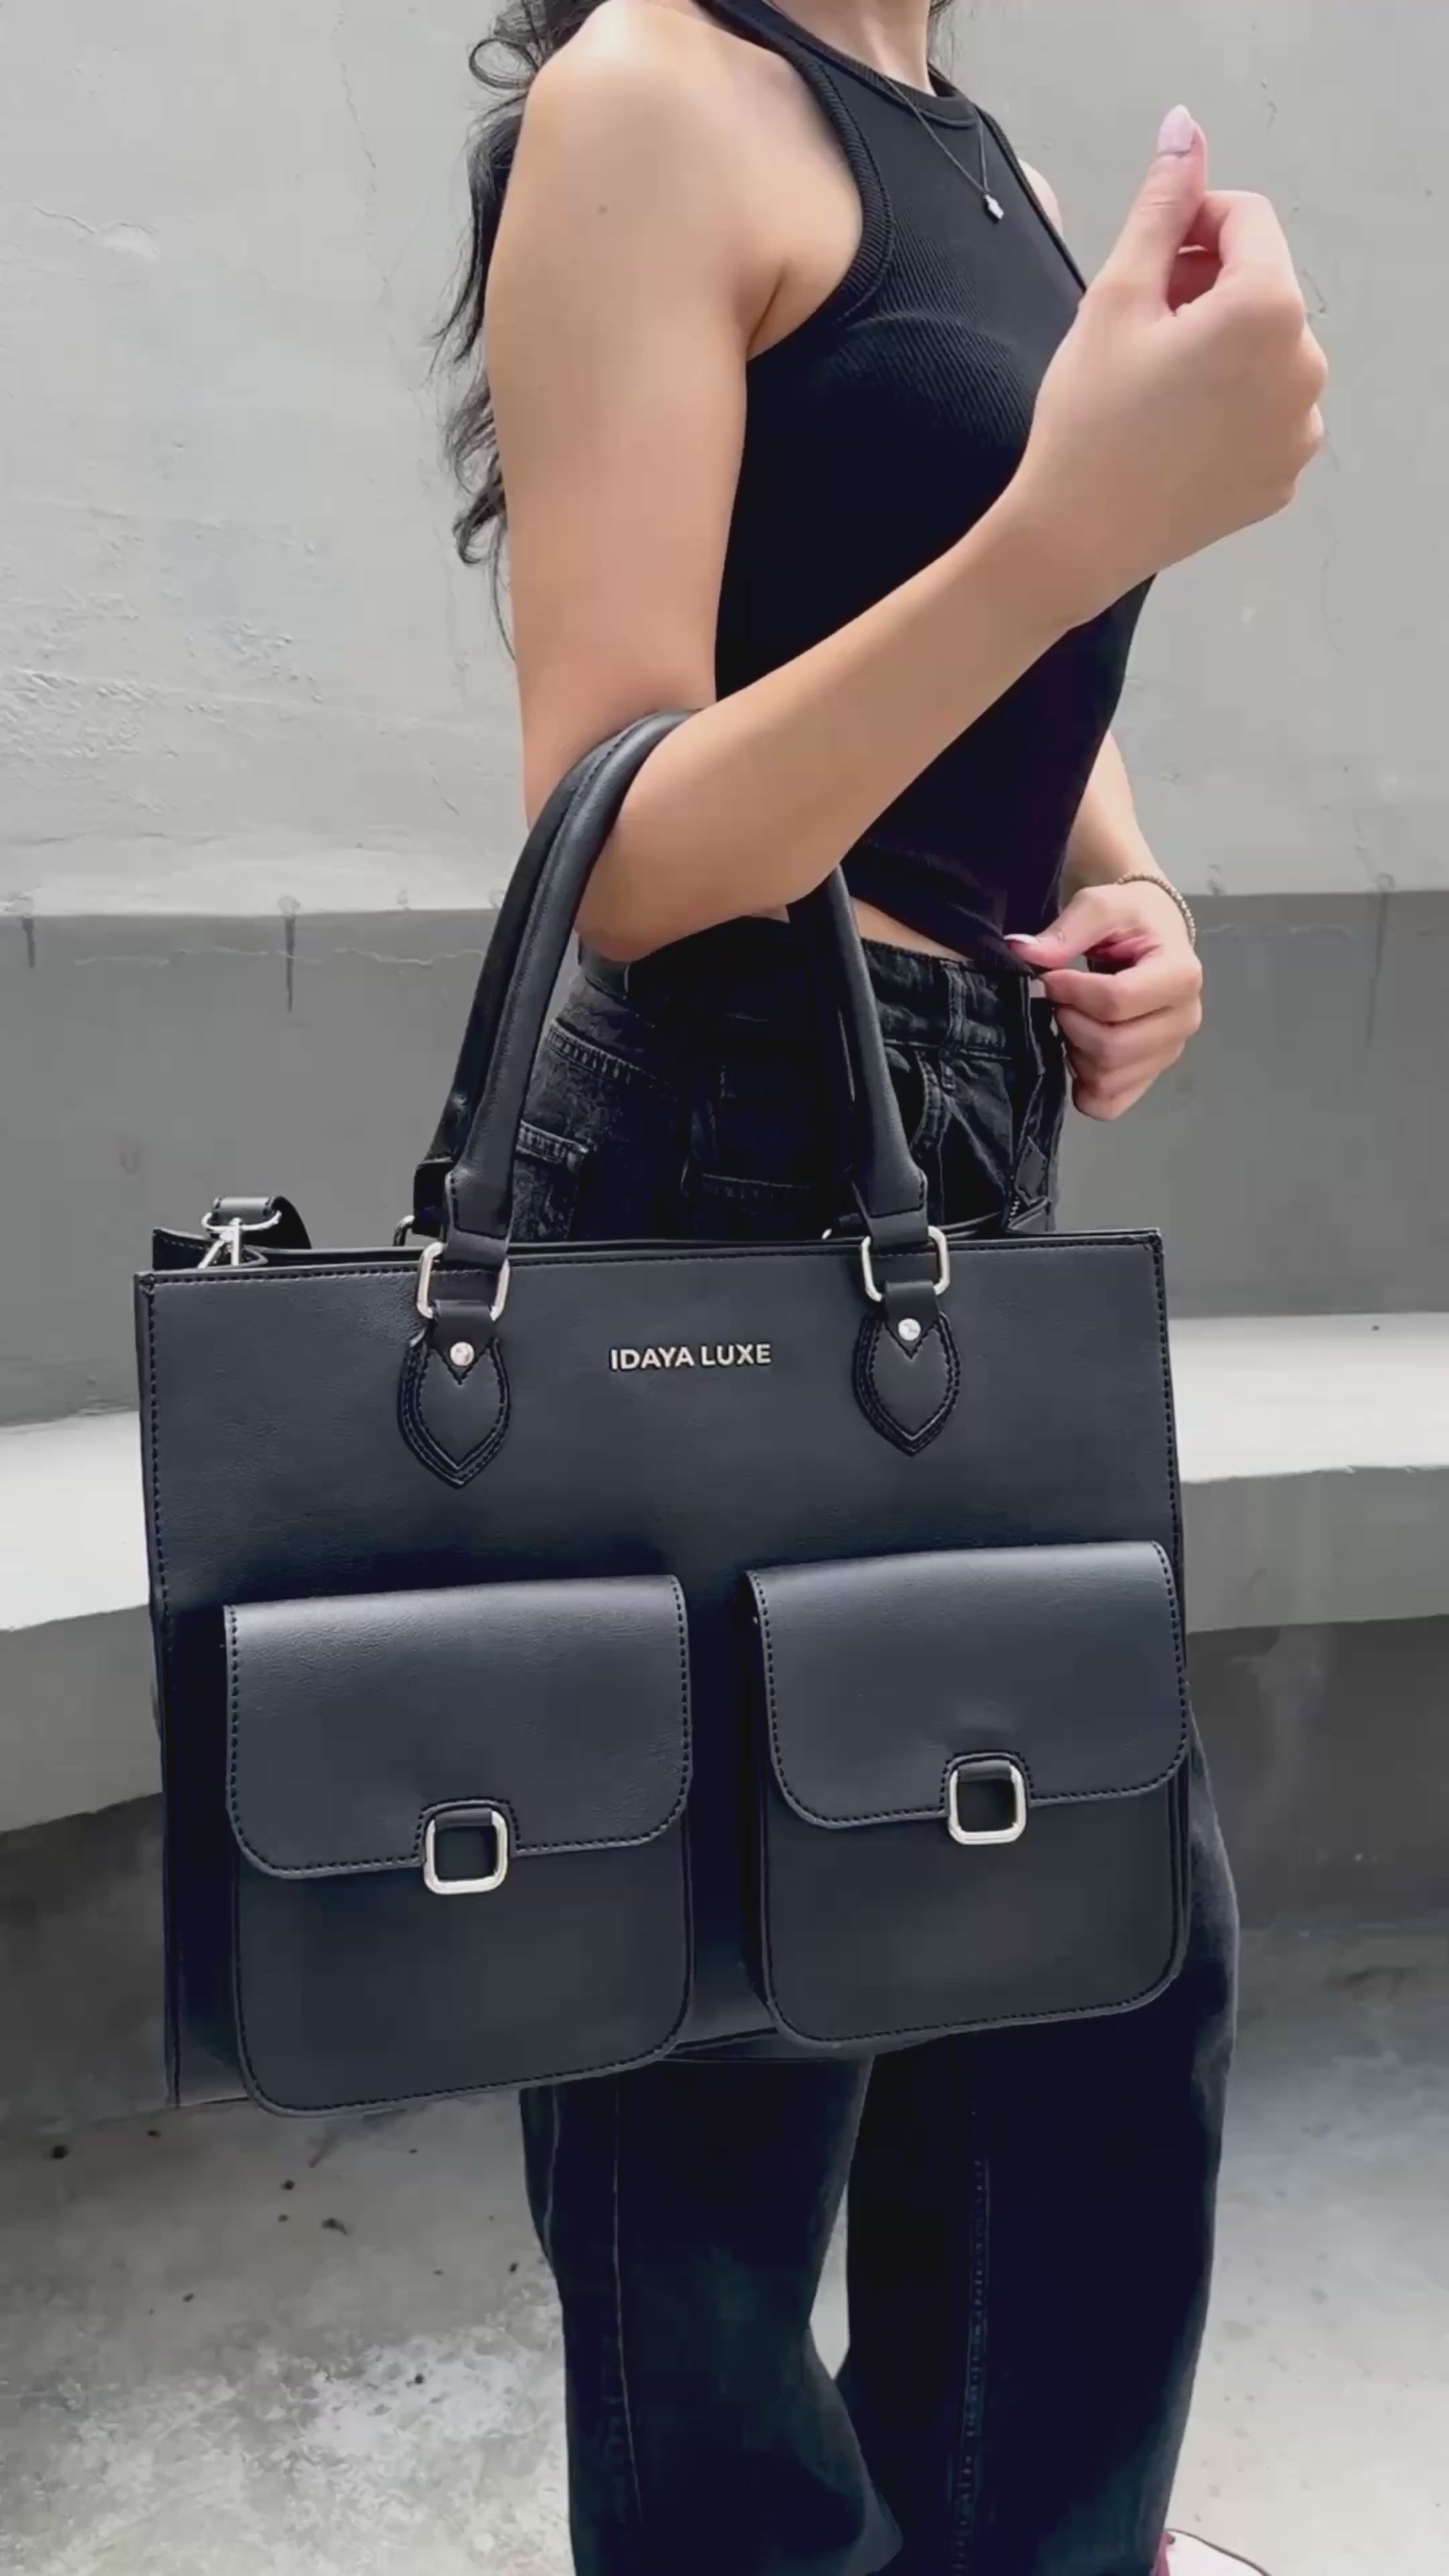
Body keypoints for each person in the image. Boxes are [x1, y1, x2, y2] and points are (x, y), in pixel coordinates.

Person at [440, 3, 1324, 2568]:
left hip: (965, 1160)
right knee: (712, 2077)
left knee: (1085, 1997)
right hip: (716, 1158)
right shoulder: (648, 95)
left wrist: (1126, 899)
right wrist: (1079, 515)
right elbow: (620, 835)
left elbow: (1011, 691)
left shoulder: (974, 143)